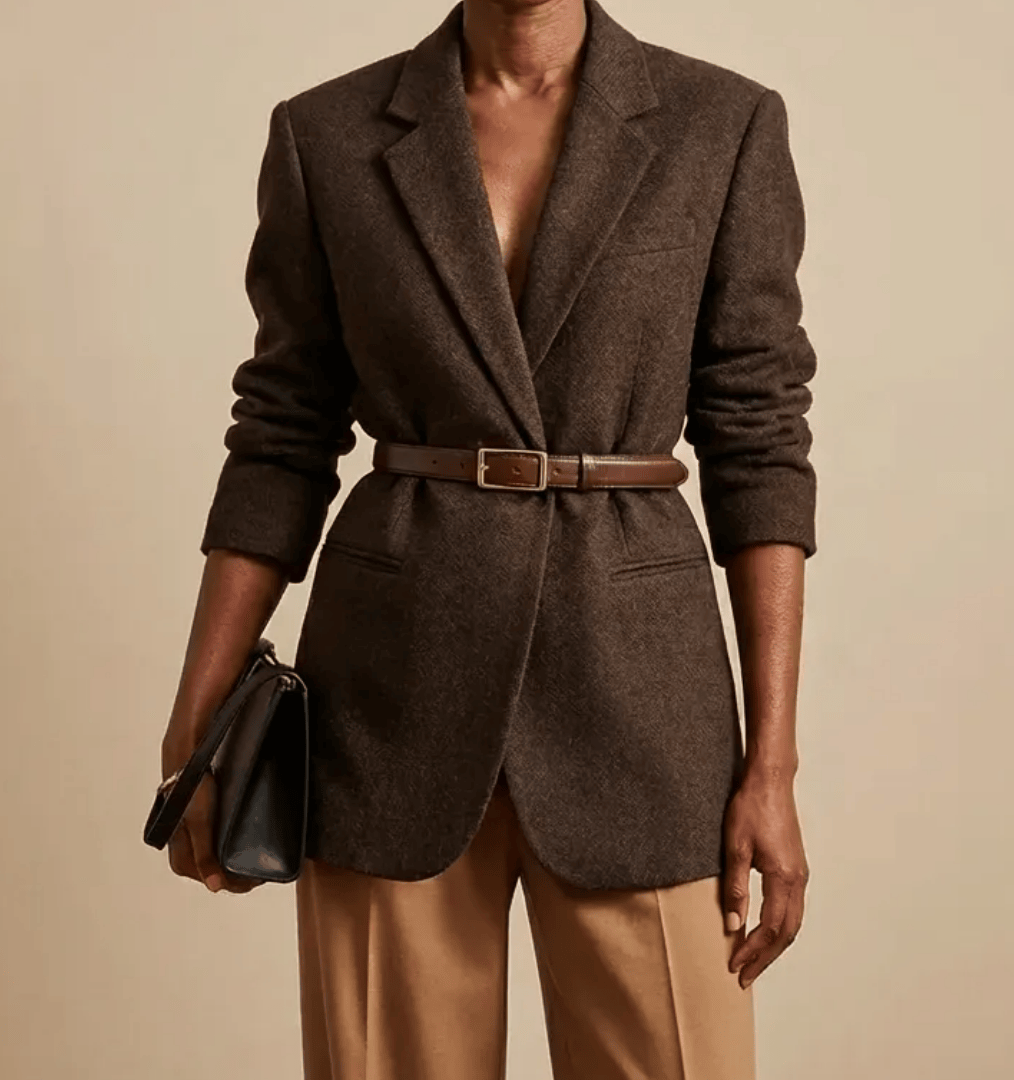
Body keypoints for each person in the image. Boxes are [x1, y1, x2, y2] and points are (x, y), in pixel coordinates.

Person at [158, 0, 817, 1076]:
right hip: (390, 692)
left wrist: (773, 767)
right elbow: (283, 430)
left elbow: (760, 445)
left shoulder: (721, 125)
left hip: (643, 696)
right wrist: (200, 702)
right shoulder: (327, 135)